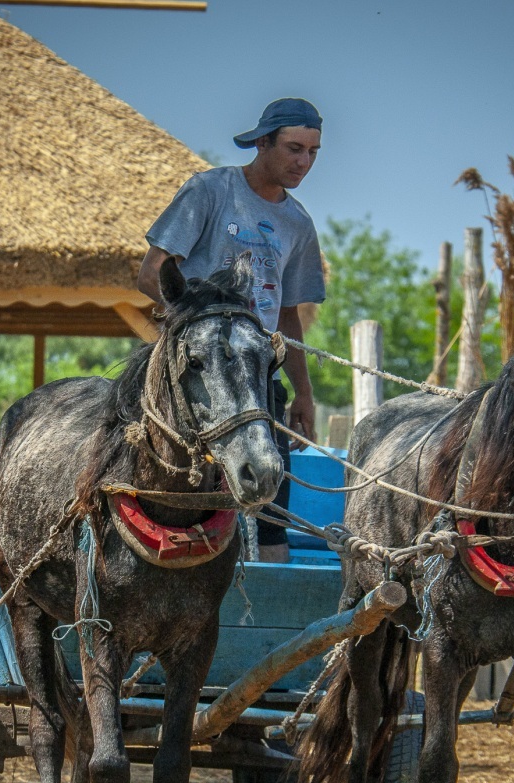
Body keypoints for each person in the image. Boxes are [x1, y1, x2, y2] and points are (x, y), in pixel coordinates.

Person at [138, 98, 325, 562]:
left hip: (257, 375)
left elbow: (286, 315)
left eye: (313, 152)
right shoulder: (210, 191)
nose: (303, 162)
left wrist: (303, 393)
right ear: (262, 142)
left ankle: (269, 612)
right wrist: (201, 319)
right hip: (191, 368)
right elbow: (151, 273)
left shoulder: (298, 223)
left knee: (270, 508)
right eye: (294, 148)